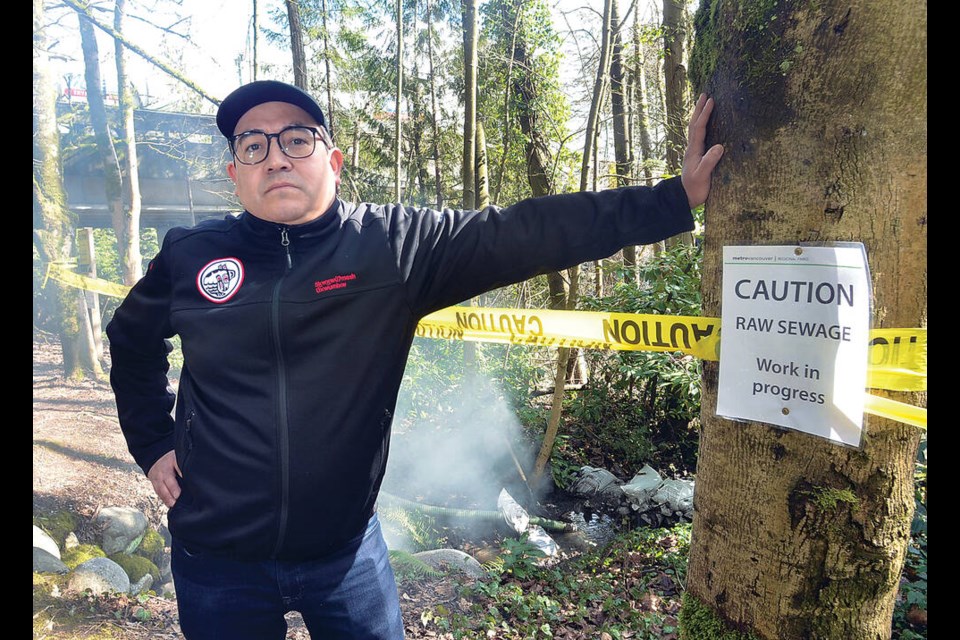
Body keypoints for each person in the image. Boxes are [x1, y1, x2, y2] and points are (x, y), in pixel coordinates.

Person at [106, 79, 724, 639]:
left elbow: (527, 230)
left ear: (334, 162)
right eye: (253, 146)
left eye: (297, 139)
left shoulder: (393, 247)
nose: (276, 157)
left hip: (344, 555)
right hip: (217, 558)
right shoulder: (192, 256)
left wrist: (673, 200)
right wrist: (154, 443)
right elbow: (132, 342)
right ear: (235, 173)